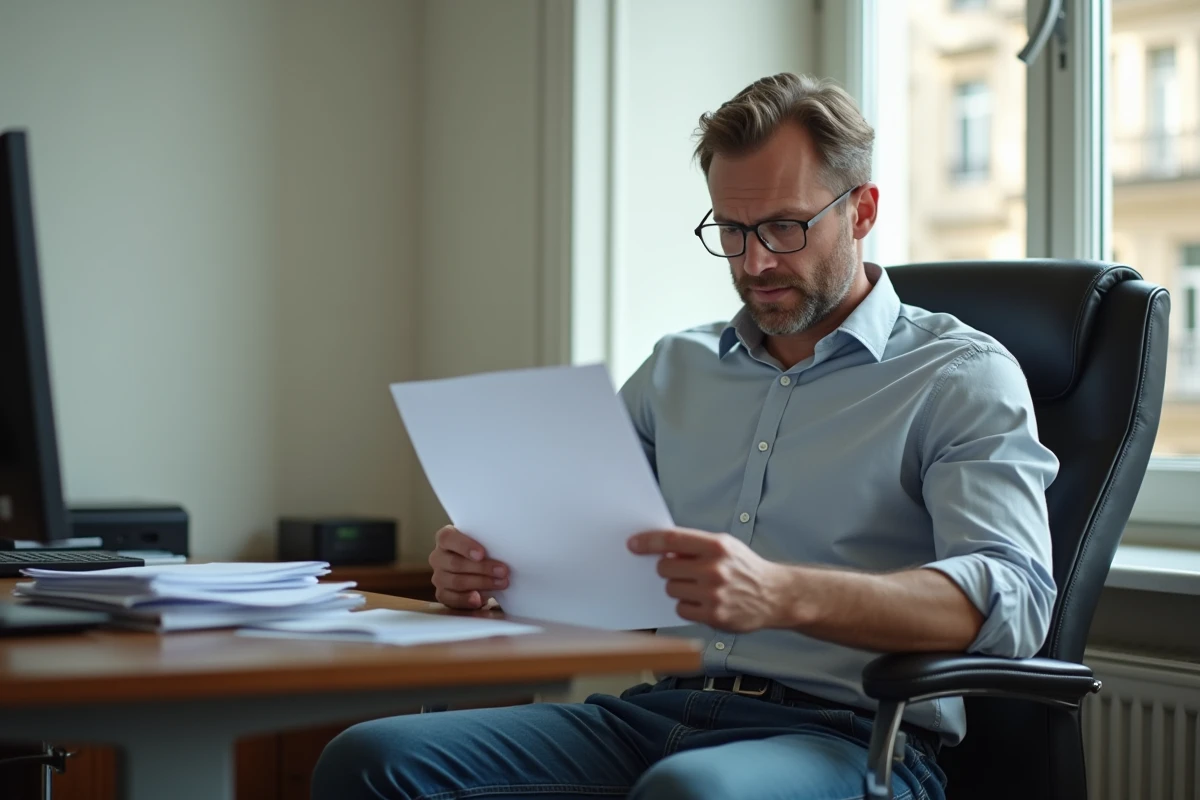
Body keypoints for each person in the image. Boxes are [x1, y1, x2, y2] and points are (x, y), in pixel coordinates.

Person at [312, 72, 1057, 800]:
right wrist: (488, 579)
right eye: (730, 231)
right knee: (371, 758)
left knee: (690, 790)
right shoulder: (678, 367)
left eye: (784, 227)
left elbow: (1017, 600)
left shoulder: (958, 375)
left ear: (861, 211)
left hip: (852, 737)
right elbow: (582, 561)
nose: (754, 262)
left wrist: (784, 594)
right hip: (653, 712)